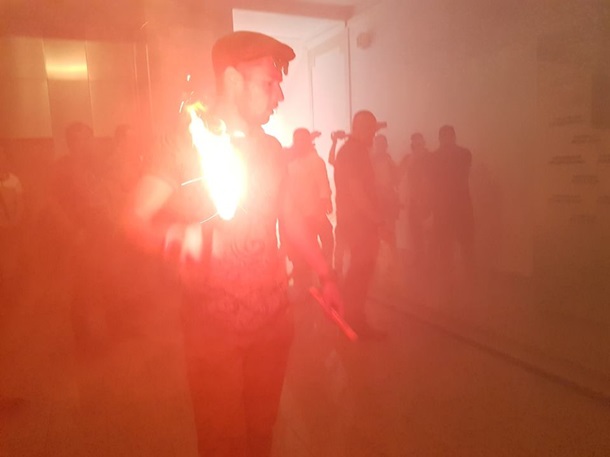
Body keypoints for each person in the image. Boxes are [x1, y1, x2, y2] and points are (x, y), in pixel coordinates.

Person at [123, 31, 343, 457]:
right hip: (213, 332)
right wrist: (174, 237)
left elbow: (289, 217)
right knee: (222, 442)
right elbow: (132, 218)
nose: (279, 95)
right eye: (269, 83)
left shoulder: (272, 149)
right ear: (231, 79)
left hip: (273, 324)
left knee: (261, 433)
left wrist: (326, 273)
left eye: (279, 83)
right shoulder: (184, 144)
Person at [334, 110, 386, 339]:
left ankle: (348, 316)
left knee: (359, 271)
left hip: (355, 221)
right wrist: (377, 219)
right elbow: (356, 191)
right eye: (372, 131)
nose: (373, 136)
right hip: (359, 223)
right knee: (361, 271)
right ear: (362, 129)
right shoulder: (353, 152)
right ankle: (354, 320)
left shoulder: (351, 151)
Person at [284, 128, 334, 294]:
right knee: (300, 250)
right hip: (297, 215)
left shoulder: (315, 161)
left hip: (314, 213)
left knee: (325, 241)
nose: (299, 143)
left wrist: (324, 204)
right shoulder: (291, 162)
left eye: (302, 140)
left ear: (308, 142)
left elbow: (323, 184)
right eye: (296, 140)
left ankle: (322, 277)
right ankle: (305, 282)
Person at [431, 125, 475, 282]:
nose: (447, 139)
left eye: (449, 136)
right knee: (445, 248)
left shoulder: (464, 154)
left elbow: (459, 176)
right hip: (445, 208)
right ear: (440, 139)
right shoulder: (435, 157)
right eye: (444, 136)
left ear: (454, 137)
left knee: (466, 245)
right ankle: (448, 279)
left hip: (459, 207)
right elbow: (433, 183)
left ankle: (468, 277)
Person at [400, 132, 433, 268]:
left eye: (420, 143)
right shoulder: (409, 159)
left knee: (431, 237)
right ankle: (420, 265)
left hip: (430, 203)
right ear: (412, 145)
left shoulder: (432, 158)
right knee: (416, 237)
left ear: (424, 143)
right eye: (415, 144)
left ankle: (431, 265)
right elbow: (398, 175)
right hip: (414, 203)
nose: (418, 146)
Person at [0, 148, 24, 301]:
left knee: (11, 261)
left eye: (2, 157)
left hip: (11, 228)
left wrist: (15, 221)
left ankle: (11, 295)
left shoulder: (14, 181)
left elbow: (20, 204)